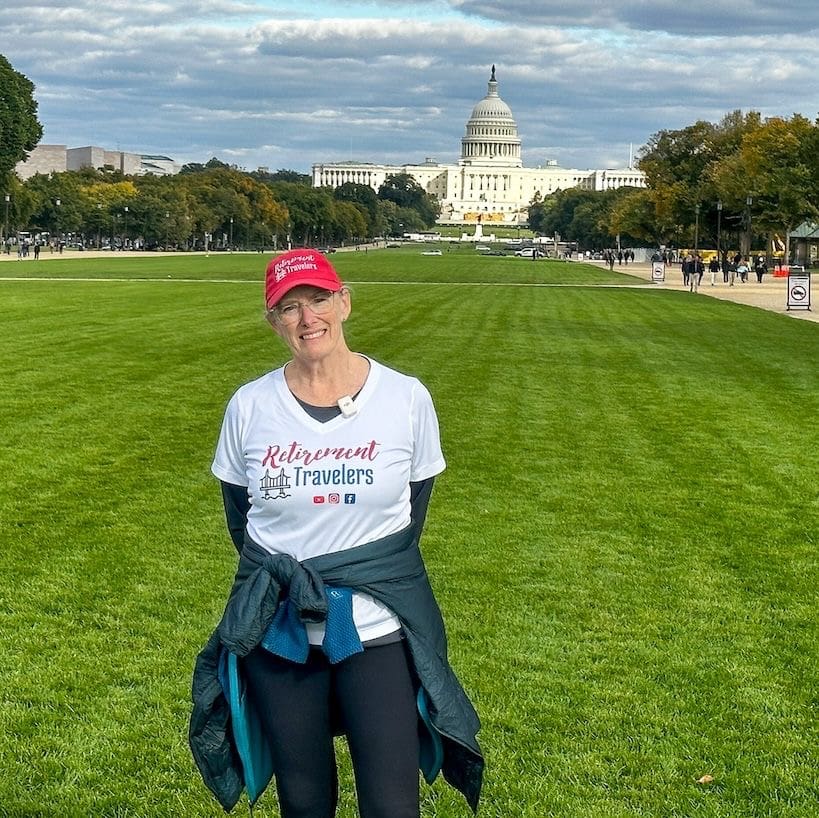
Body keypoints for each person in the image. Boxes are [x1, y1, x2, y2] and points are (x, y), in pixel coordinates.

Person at [190, 249, 483, 818]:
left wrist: (353, 568)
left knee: (392, 802)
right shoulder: (250, 406)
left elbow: (409, 516)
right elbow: (241, 519)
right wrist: (295, 579)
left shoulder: (405, 398)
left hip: (376, 631)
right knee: (303, 798)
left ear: (343, 301)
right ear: (273, 321)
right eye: (289, 308)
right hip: (281, 632)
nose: (307, 319)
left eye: (318, 300)